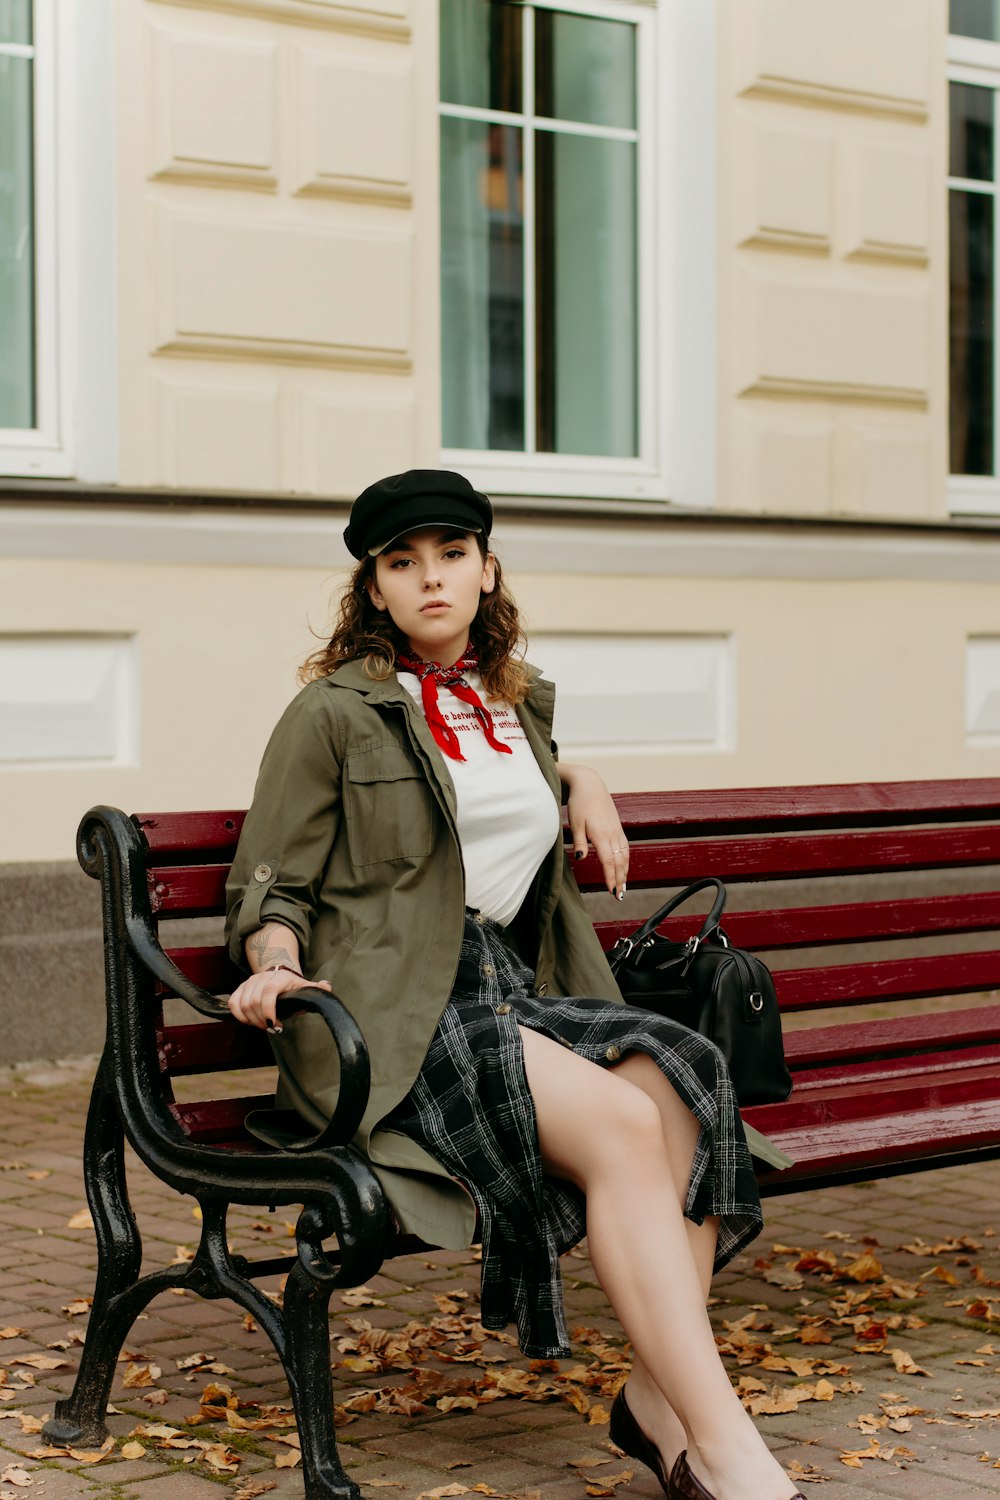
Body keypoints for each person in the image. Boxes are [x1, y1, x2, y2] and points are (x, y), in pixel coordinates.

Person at [225, 470, 805, 1500]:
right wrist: (274, 961)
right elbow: (273, 879)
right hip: (392, 1004)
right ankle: (728, 1452)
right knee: (625, 1127)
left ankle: (655, 1399)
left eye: (450, 555)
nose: (429, 578)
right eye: (401, 563)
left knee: (687, 1078)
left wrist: (581, 778)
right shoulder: (331, 714)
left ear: (486, 570)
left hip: (504, 983)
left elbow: (502, 801)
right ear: (374, 589)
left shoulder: (513, 703)